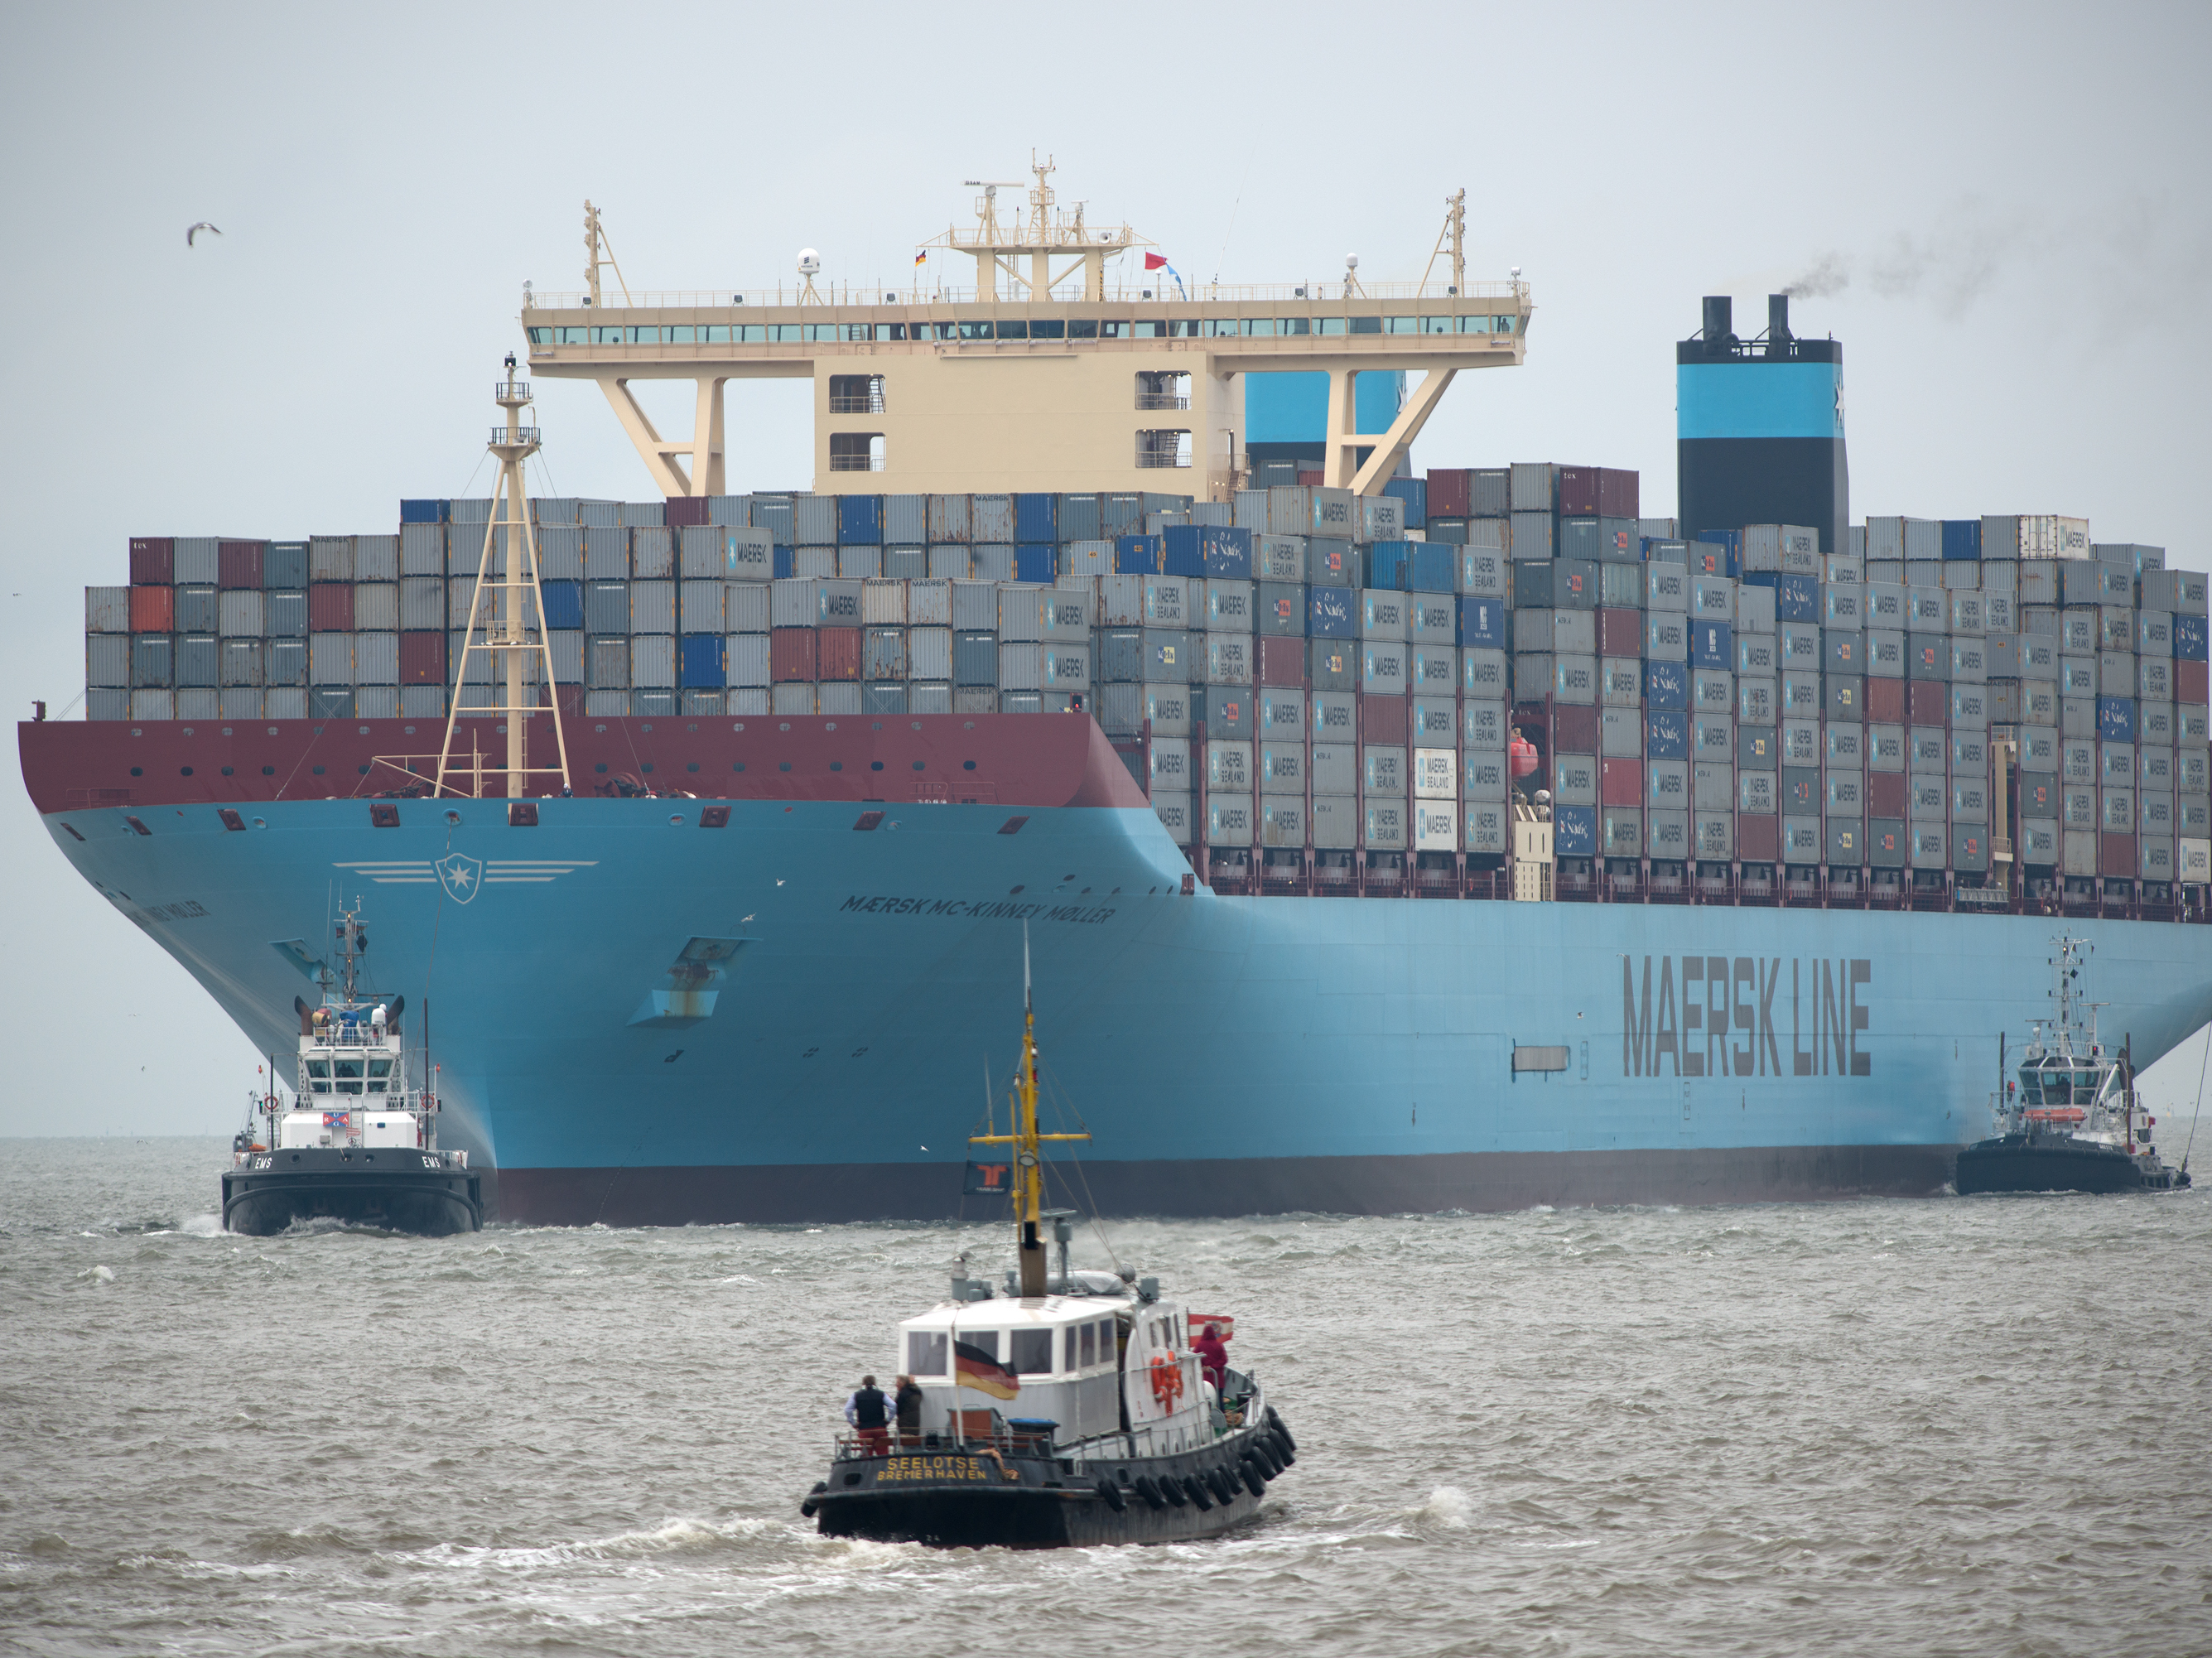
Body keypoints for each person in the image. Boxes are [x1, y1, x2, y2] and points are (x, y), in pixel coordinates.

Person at [844, 1375, 891, 1456]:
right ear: (875, 1383)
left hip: (864, 1429)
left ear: (863, 1383)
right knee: (883, 1454)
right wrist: (888, 1420)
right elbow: (893, 1406)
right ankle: (884, 1467)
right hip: (880, 1428)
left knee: (866, 1455)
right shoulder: (881, 1394)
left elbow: (847, 1410)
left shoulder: (856, 1395)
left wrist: (854, 1424)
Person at [1193, 1322, 1230, 1393]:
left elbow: (1194, 1358)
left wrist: (1203, 1367)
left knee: (1207, 1397)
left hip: (1206, 1378)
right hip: (1218, 1378)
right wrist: (1213, 1366)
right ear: (1214, 1333)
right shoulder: (1219, 1345)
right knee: (1220, 1398)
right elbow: (1224, 1359)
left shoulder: (1200, 1345)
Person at [893, 1374, 923, 1446]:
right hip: (915, 1427)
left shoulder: (903, 1394)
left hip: (905, 1428)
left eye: (897, 1383)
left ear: (902, 1383)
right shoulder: (918, 1392)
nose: (896, 1385)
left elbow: (897, 1409)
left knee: (904, 1450)